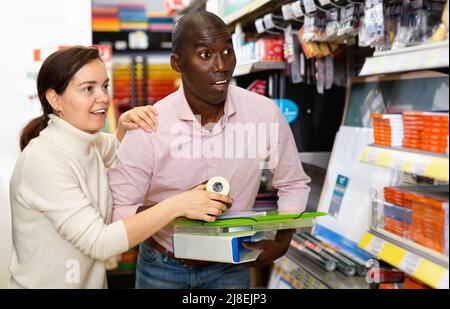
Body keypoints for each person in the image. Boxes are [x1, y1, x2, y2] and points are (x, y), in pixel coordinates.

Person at [108, 11, 311, 289]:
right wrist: (176, 209)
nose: (222, 66)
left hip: (231, 266)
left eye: (227, 51)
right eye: (205, 55)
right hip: (163, 267)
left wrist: (282, 242)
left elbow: (293, 183)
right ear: (177, 63)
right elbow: (120, 211)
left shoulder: (263, 113)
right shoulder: (149, 125)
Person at [9, 46, 230, 289]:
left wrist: (124, 127)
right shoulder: (44, 161)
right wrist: (179, 204)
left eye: (104, 86)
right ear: (54, 99)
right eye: (88, 89)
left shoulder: (87, 141)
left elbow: (114, 147)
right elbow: (99, 242)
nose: (103, 96)